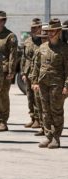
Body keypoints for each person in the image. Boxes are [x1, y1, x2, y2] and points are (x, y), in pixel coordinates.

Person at [32, 18, 68, 149]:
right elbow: (36, 65)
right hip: (43, 84)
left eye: (53, 31)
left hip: (57, 86)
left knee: (56, 111)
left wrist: (66, 86)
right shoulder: (42, 47)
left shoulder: (64, 49)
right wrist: (34, 81)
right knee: (45, 111)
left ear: (59, 32)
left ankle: (56, 138)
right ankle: (48, 137)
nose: (50, 33)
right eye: (49, 31)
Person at [0, 10, 18, 132]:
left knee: (2, 96)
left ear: (4, 21)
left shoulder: (10, 36)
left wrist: (11, 71)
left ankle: (3, 121)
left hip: (4, 71)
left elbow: (13, 55)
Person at [21, 18, 42, 129]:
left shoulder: (44, 41)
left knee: (38, 97)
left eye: (35, 28)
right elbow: (24, 58)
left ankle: (39, 119)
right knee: (30, 96)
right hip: (28, 72)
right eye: (31, 28)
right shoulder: (28, 41)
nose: (32, 29)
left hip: (38, 73)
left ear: (40, 28)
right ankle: (33, 118)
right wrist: (23, 73)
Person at [31, 26, 49, 137]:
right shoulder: (39, 50)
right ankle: (43, 127)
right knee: (39, 106)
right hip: (39, 83)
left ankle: (49, 130)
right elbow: (35, 67)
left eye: (45, 37)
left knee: (49, 109)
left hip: (50, 84)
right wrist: (34, 81)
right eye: (41, 38)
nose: (43, 40)